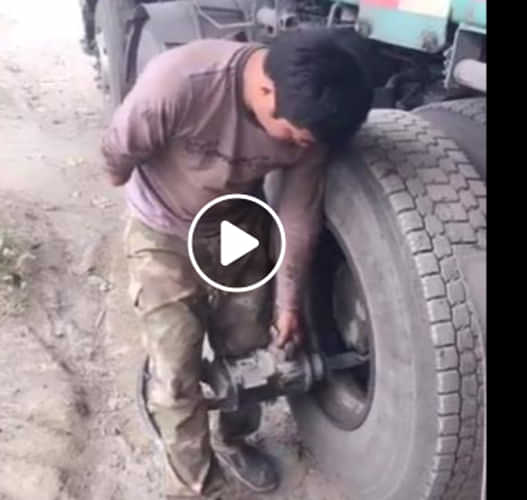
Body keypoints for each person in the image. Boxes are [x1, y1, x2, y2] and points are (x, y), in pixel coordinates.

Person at [101, 28, 373, 498]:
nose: (299, 147)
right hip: (162, 228)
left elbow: (297, 215)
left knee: (251, 350)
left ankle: (236, 437)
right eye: (294, 136)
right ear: (267, 91)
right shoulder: (180, 84)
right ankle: (198, 482)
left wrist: (288, 305)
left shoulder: (312, 126)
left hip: (236, 228)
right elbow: (116, 156)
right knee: (176, 371)